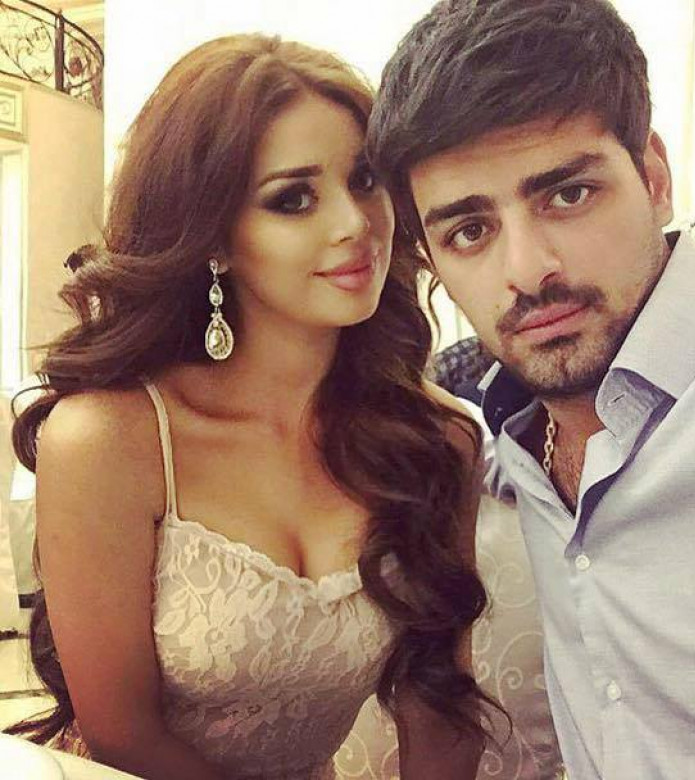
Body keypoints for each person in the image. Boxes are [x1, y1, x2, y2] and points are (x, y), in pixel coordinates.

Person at [6, 34, 497, 780]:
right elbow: (122, 735)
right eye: (293, 199)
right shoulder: (109, 439)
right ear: (214, 238)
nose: (354, 223)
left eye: (365, 179)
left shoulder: (437, 438)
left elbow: (441, 710)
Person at [367, 0, 695, 777]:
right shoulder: (510, 429)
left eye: (568, 195)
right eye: (470, 231)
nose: (527, 270)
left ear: (653, 177)